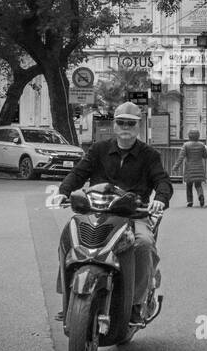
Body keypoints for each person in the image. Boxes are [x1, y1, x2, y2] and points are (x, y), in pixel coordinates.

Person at [58, 101, 171, 324]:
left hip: (133, 215)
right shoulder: (99, 149)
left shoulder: (149, 155)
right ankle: (69, 298)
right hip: (96, 211)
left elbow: (162, 181)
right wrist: (63, 192)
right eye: (121, 122)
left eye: (131, 123)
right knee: (68, 237)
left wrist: (159, 199)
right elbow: (79, 173)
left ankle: (136, 304)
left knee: (143, 244)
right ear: (115, 125)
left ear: (138, 126)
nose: (125, 127)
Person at [171, 128, 207, 207]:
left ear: (189, 136)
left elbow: (181, 157)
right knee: (198, 185)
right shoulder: (201, 145)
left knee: (189, 185)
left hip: (189, 168)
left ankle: (189, 201)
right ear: (198, 136)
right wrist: (206, 150)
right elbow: (205, 156)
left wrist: (175, 167)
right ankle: (200, 195)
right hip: (199, 167)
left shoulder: (186, 145)